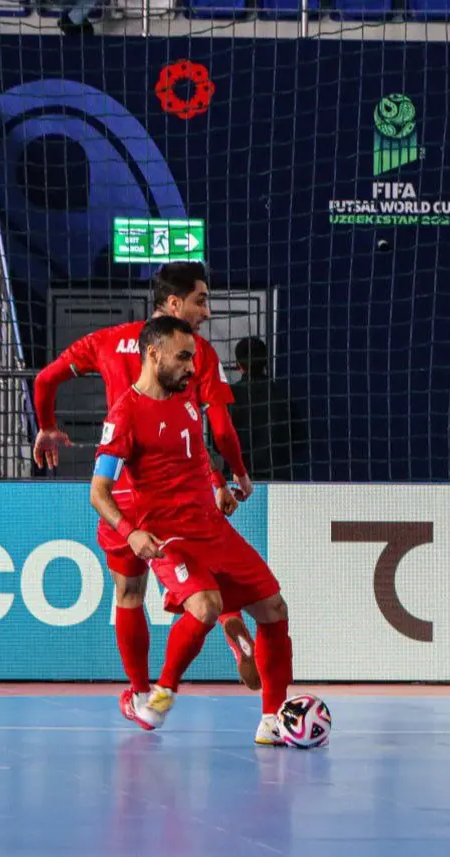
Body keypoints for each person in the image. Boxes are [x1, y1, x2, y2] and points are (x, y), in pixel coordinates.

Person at [32, 262, 261, 726]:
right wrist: (228, 476)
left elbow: (44, 380)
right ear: (173, 303)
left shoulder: (106, 341)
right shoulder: (195, 352)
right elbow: (218, 428)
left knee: (130, 592)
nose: (207, 312)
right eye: (201, 301)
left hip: (123, 490)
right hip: (180, 485)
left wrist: (48, 426)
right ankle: (226, 619)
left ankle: (140, 695)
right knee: (202, 568)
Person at [90, 316, 293, 743]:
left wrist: (218, 483)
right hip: (168, 533)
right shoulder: (124, 414)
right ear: (153, 354)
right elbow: (99, 492)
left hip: (211, 526)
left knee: (274, 609)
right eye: (183, 357)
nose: (191, 367)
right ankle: (161, 694)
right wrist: (130, 532)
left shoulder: (186, 398)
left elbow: (197, 452)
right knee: (205, 605)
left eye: (193, 358)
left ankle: (272, 720)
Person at [222, 336, 308, 481]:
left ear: (238, 365)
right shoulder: (281, 395)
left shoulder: (227, 397)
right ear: (265, 362)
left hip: (237, 478)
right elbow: (299, 439)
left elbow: (218, 441)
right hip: (277, 479)